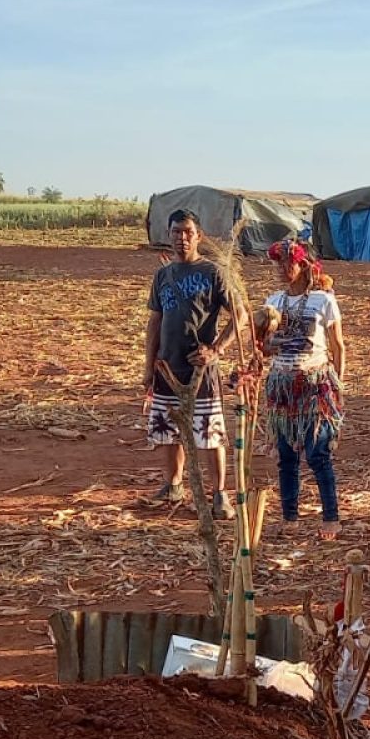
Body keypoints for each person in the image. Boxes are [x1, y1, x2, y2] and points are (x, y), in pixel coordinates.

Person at [145, 210, 245, 518]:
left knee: (209, 431)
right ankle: (172, 484)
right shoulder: (163, 275)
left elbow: (239, 315)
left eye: (187, 232)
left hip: (200, 369)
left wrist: (216, 350)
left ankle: (219, 494)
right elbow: (155, 321)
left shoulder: (213, 273)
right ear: (169, 234)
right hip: (167, 366)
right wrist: (148, 365)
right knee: (168, 428)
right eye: (176, 232)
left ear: (198, 235)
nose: (181, 238)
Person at [261, 239, 345, 540]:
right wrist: (266, 344)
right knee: (285, 454)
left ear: (304, 266)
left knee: (318, 452)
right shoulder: (272, 303)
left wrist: (338, 386)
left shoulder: (323, 301)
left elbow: (337, 347)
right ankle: (290, 516)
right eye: (277, 263)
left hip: (314, 385)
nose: (281, 269)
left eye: (288, 263)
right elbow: (264, 349)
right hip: (283, 387)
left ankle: (331, 517)